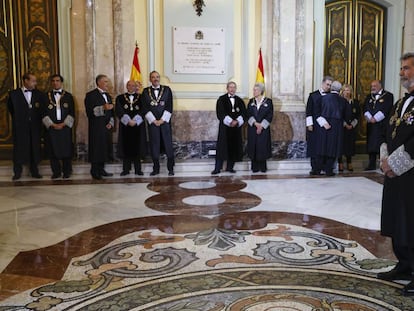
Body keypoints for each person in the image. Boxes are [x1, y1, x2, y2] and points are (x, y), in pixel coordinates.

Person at [377, 52, 414, 296]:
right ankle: (404, 264)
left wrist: (396, 163)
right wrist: (384, 159)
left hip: (411, 172)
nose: (402, 72)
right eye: (401, 68)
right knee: (397, 219)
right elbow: (386, 131)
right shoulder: (400, 103)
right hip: (394, 173)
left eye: (407, 68)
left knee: (412, 220)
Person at [7, 72, 47, 180]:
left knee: (34, 147)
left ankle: (34, 171)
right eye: (33, 81)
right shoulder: (14, 94)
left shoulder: (39, 94)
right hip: (20, 126)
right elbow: (11, 109)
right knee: (19, 148)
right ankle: (17, 172)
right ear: (26, 81)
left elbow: (42, 110)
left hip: (35, 126)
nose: (35, 83)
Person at [140, 71, 174, 176]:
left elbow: (169, 106)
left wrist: (162, 120)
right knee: (154, 145)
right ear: (150, 79)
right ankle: (156, 169)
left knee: (168, 145)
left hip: (165, 122)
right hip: (153, 123)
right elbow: (144, 107)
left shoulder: (167, 90)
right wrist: (154, 120)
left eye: (157, 77)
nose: (156, 79)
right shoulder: (145, 91)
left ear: (159, 78)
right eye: (153, 77)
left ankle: (171, 169)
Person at [42, 74, 75, 179]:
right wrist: (52, 124)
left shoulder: (68, 96)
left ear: (61, 82)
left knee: (66, 149)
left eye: (57, 80)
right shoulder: (45, 96)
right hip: (52, 127)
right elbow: (43, 113)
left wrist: (64, 124)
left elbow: (72, 113)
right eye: (53, 81)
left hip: (64, 126)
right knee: (53, 150)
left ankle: (67, 171)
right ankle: (56, 172)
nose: (55, 82)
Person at [211, 81, 247, 175]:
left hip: (235, 129)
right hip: (225, 128)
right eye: (230, 87)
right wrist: (230, 121)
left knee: (233, 147)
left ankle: (230, 167)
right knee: (222, 148)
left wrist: (237, 121)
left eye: (234, 87)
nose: (232, 89)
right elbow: (220, 113)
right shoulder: (221, 99)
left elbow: (243, 113)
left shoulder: (239, 100)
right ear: (227, 88)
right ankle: (217, 168)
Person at [84, 74, 115, 180]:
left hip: (106, 126)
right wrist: (103, 108)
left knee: (104, 148)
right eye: (106, 82)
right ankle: (94, 171)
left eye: (107, 81)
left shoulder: (108, 96)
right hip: (96, 127)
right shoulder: (90, 95)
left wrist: (110, 122)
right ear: (99, 83)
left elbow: (111, 112)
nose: (108, 84)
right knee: (96, 148)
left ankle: (102, 169)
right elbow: (89, 112)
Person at [314, 81, 346, 176]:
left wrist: (323, 123)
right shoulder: (343, 101)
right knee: (333, 149)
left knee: (321, 148)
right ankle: (329, 170)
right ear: (340, 90)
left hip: (324, 126)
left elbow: (316, 112)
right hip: (337, 127)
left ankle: (317, 170)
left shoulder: (322, 98)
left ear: (331, 88)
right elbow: (346, 115)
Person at [115, 80, 146, 176]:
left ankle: (138, 169)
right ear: (126, 86)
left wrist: (135, 120)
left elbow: (144, 109)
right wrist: (128, 121)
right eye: (129, 85)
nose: (131, 87)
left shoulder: (141, 97)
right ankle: (125, 169)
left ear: (136, 87)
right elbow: (119, 110)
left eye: (133, 85)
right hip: (125, 126)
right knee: (126, 147)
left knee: (138, 146)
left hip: (138, 126)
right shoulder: (120, 98)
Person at [363, 80, 394, 170]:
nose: (373, 87)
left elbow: (387, 108)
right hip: (371, 126)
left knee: (381, 145)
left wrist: (376, 118)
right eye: (372, 86)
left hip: (382, 125)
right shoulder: (369, 96)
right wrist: (369, 117)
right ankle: (371, 164)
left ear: (380, 86)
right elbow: (365, 107)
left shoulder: (388, 96)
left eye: (375, 86)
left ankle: (382, 165)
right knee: (371, 145)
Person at [306, 76, 334, 175]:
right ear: (322, 84)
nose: (328, 87)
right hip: (316, 126)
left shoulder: (332, 96)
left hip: (328, 126)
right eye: (327, 84)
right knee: (315, 147)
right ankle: (315, 168)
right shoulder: (313, 95)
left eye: (330, 85)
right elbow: (309, 111)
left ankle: (326, 168)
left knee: (326, 147)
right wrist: (309, 124)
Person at [246, 83, 273, 172]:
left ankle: (263, 167)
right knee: (253, 146)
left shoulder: (268, 102)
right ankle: (254, 167)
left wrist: (261, 126)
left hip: (264, 129)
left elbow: (270, 115)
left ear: (261, 91)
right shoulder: (251, 101)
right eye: (253, 90)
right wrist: (255, 124)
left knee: (262, 146)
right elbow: (248, 114)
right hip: (253, 128)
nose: (254, 91)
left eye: (256, 90)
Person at [338, 84, 361, 172]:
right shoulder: (339, 101)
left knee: (350, 145)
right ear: (342, 91)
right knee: (341, 145)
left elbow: (358, 114)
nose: (347, 92)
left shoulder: (355, 102)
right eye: (345, 90)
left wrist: (353, 124)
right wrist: (345, 124)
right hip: (342, 127)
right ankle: (340, 163)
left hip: (352, 127)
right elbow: (339, 114)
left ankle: (349, 162)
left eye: (348, 90)